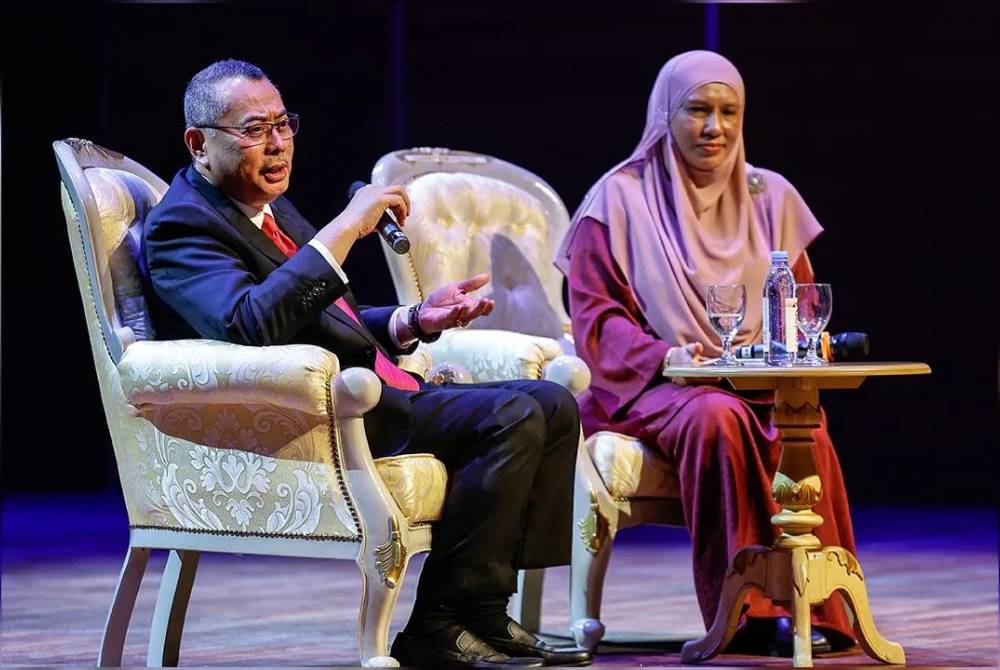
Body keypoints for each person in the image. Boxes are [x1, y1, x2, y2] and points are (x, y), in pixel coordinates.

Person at [144, 59, 591, 669]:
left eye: (284, 125)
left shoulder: (268, 211)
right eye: (254, 130)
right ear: (199, 143)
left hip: (372, 390)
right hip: (318, 416)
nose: (277, 145)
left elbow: (330, 318)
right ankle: (437, 622)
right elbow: (248, 324)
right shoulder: (181, 226)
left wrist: (413, 320)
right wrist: (347, 227)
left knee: (552, 402)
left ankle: (482, 609)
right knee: (513, 411)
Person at [556, 51, 857, 656]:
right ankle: (744, 612)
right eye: (697, 110)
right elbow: (596, 319)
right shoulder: (620, 198)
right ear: (667, 114)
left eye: (728, 112)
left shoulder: (769, 196)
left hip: (751, 382)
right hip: (651, 386)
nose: (714, 128)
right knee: (713, 420)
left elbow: (797, 307)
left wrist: (790, 351)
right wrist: (663, 355)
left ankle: (820, 607)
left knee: (805, 430)